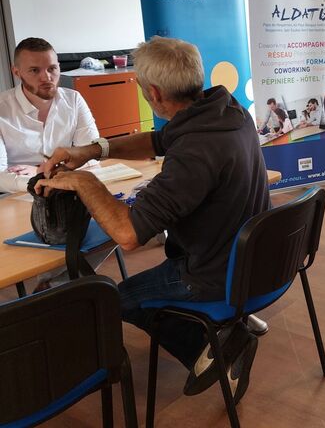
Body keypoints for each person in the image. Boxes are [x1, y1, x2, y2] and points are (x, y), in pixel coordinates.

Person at [36, 37, 269, 404]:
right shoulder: (225, 111)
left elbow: (128, 235)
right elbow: (159, 140)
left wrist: (84, 181)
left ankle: (216, 348)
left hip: (212, 274)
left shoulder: (194, 152)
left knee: (116, 299)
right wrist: (94, 150)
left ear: (154, 93)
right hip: (255, 260)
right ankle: (221, 335)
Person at [0, 37, 99, 193]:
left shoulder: (73, 100)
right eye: (34, 70)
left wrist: (41, 172)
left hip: (66, 191)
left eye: (52, 68)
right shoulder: (2, 107)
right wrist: (42, 180)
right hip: (18, 194)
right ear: (17, 72)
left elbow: (92, 155)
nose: (46, 78)